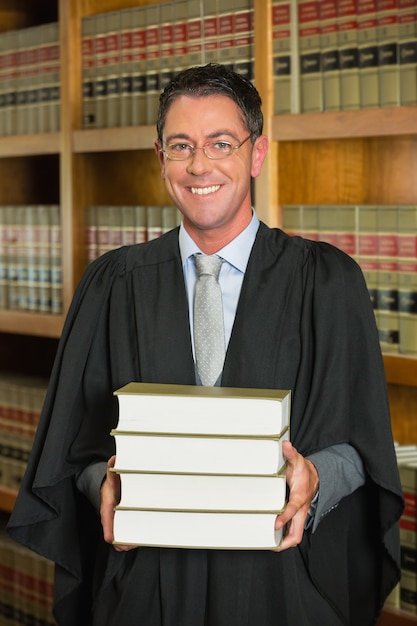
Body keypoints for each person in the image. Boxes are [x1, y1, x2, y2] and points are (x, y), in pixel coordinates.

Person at [8, 64, 403, 626]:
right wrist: (106, 482)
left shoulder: (328, 282)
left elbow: (364, 446)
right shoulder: (111, 285)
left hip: (284, 586)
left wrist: (315, 480)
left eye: (221, 143)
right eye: (181, 146)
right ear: (160, 157)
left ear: (256, 153)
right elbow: (72, 449)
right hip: (147, 588)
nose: (199, 166)